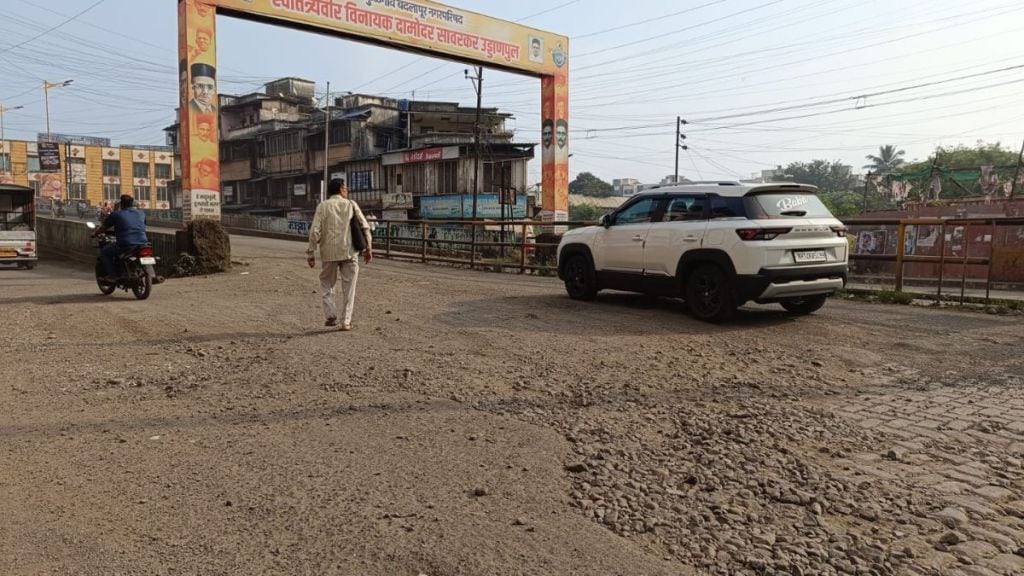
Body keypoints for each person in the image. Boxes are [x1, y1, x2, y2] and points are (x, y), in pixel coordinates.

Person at [306, 179, 373, 330]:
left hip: (328, 253)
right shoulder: (351, 204)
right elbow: (365, 226)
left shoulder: (322, 206)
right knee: (349, 288)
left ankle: (330, 315)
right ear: (341, 189)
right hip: (349, 252)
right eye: (346, 187)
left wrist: (310, 252)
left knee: (326, 284)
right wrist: (369, 247)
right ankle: (346, 321)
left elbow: (314, 231)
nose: (347, 190)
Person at [92, 194, 148, 282]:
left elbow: (103, 227)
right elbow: (143, 226)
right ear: (132, 203)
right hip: (143, 242)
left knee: (105, 252)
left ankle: (112, 275)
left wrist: (95, 233)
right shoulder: (141, 213)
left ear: (121, 204)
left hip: (125, 243)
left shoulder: (116, 214)